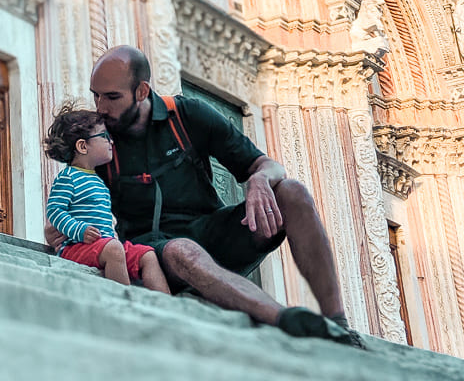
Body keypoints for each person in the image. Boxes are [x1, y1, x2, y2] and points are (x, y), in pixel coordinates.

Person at [47, 46, 363, 347]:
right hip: (154, 252)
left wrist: (259, 180)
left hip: (213, 232)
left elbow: (267, 165)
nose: (101, 107)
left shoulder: (187, 115)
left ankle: (338, 324)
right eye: (96, 96)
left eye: (112, 97)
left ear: (142, 92)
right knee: (181, 250)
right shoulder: (99, 140)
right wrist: (68, 230)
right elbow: (66, 207)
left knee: (292, 191)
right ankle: (284, 319)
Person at [44, 102, 170, 293]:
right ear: (82, 146)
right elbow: (54, 211)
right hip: (77, 247)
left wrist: (111, 233)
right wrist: (79, 230)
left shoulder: (97, 179)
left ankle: (166, 306)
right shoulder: (68, 177)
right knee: (114, 250)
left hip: (105, 244)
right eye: (104, 136)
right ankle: (126, 303)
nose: (111, 141)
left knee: (147, 254)